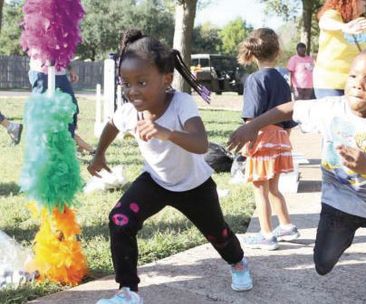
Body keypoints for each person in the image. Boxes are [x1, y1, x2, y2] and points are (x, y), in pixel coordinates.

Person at [228, 47, 366, 304]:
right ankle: (343, 236)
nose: (358, 85)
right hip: (338, 206)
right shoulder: (331, 108)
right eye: (353, 76)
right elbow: (289, 109)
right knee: (323, 264)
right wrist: (253, 125)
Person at [88, 29, 252, 304]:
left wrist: (165, 132)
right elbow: (112, 125)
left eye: (141, 82)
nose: (132, 91)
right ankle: (128, 291)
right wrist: (98, 155)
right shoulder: (129, 111)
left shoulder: (181, 104)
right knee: (120, 220)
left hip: (194, 186)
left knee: (218, 234)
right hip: (155, 182)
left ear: (166, 79)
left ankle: (238, 263)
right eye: (126, 83)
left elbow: (200, 144)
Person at [237, 28, 300, 250]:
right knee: (274, 188)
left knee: (260, 190)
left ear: (253, 53)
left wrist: (247, 145)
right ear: (277, 52)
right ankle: (286, 226)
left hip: (262, 137)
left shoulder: (255, 80)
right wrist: (284, 141)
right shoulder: (282, 80)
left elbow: (251, 120)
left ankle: (266, 235)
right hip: (282, 138)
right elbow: (289, 115)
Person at [28, 57, 95, 154]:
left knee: (72, 108)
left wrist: (70, 69)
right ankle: (43, 148)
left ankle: (67, 145)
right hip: (41, 72)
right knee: (43, 111)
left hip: (60, 74)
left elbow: (64, 50)